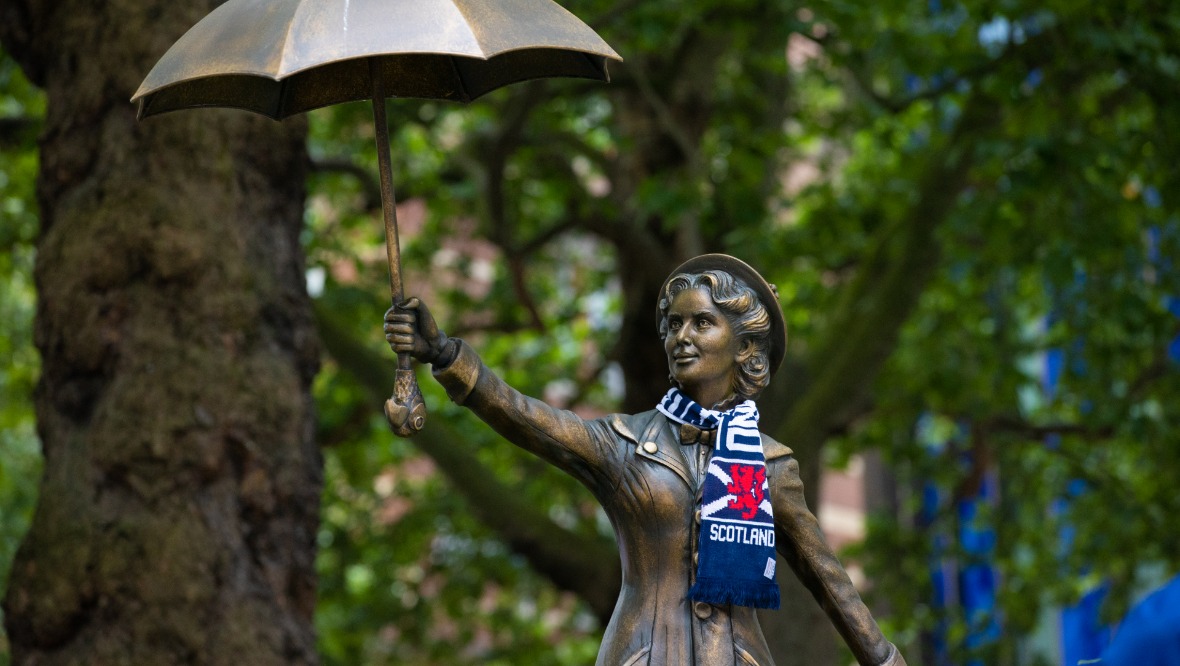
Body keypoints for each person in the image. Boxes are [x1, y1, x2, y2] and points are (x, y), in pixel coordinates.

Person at [385, 254, 905, 666]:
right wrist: (448, 356)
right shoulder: (624, 443)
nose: (682, 336)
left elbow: (828, 580)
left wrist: (884, 661)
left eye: (703, 323)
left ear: (746, 346)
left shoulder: (770, 464)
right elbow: (527, 418)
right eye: (675, 324)